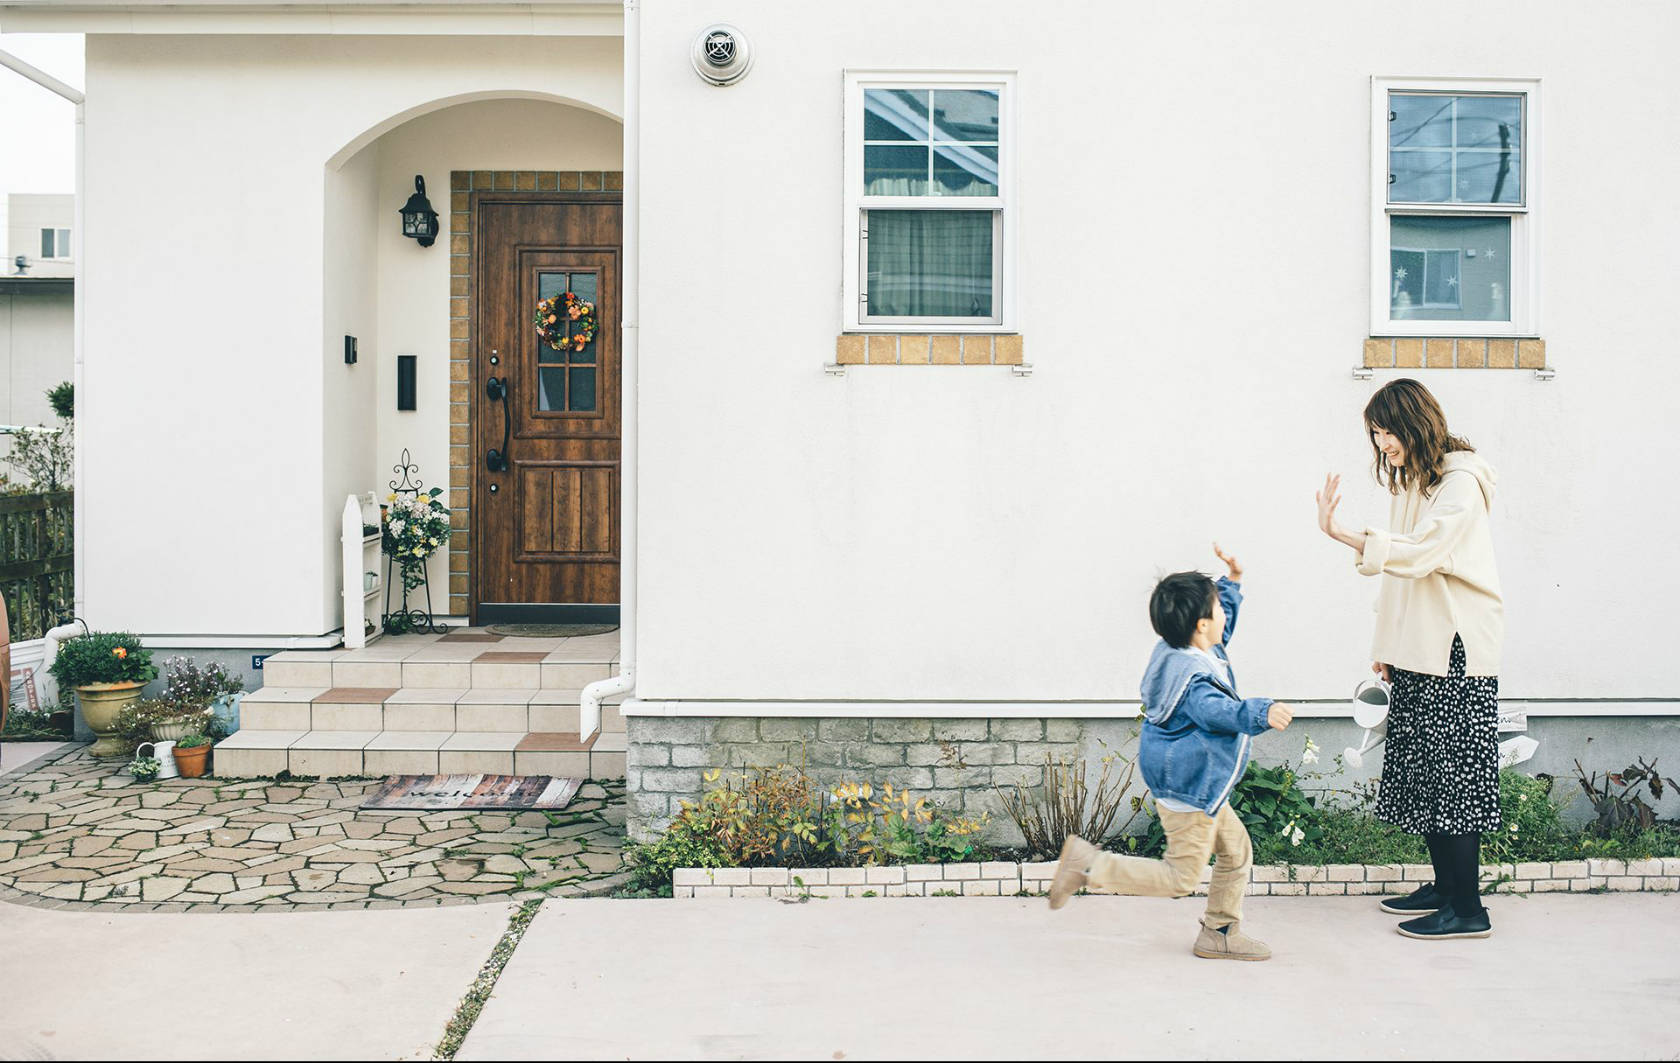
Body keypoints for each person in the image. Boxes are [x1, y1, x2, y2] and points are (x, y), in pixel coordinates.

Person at [1315, 377, 1503, 941]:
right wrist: (1386, 649)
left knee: (1453, 782)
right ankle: (1446, 889)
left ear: (1413, 423)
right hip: (1420, 648)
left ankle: (1467, 909)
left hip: (1455, 650)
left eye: (1386, 431)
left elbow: (1424, 555)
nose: (1381, 446)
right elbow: (1400, 579)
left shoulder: (1461, 482)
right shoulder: (1414, 485)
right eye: (1375, 436)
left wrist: (1342, 533)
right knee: (1426, 777)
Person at [1049, 544, 1292, 961]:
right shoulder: (1195, 681)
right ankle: (1088, 866)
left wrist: (1231, 582)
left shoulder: (1185, 649)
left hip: (1201, 783)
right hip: (1190, 793)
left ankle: (1220, 931)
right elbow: (1220, 713)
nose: (1223, 617)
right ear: (1201, 625)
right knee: (1180, 878)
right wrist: (1262, 712)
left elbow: (1221, 632)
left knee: (1237, 852)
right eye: (1218, 609)